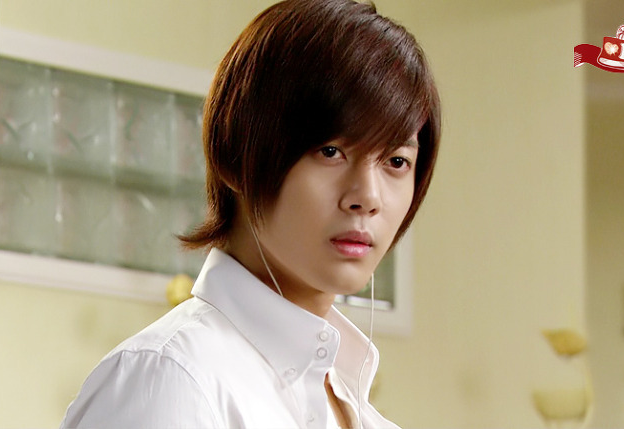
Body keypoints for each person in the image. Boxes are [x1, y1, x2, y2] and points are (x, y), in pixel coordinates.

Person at [60, 0, 440, 427]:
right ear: (237, 156)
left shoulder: (363, 414)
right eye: (331, 151)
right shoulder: (171, 380)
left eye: (396, 161)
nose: (368, 197)